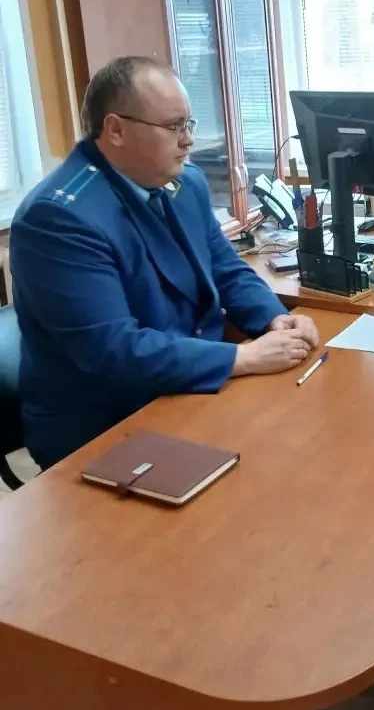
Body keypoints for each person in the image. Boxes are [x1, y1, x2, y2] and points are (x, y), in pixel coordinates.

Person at [10, 56, 319, 470]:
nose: (189, 141)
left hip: (187, 389)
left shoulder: (184, 182)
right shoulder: (59, 218)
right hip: (105, 424)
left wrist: (273, 319)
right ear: (116, 129)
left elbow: (226, 270)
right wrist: (241, 359)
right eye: (174, 127)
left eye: (188, 124)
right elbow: (114, 352)